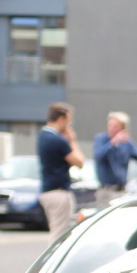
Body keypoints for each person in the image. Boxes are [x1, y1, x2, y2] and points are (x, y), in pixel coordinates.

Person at [38, 102, 83, 238]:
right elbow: (79, 162)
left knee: (57, 230)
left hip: (48, 191)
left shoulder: (42, 136)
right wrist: (72, 140)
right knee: (60, 235)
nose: (69, 126)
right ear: (61, 119)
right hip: (59, 193)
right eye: (69, 122)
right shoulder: (58, 140)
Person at [91, 111, 137, 209]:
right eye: (110, 125)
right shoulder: (101, 139)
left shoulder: (127, 143)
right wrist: (112, 143)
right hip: (106, 191)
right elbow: (98, 156)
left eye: (115, 126)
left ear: (123, 129)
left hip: (121, 190)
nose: (111, 129)